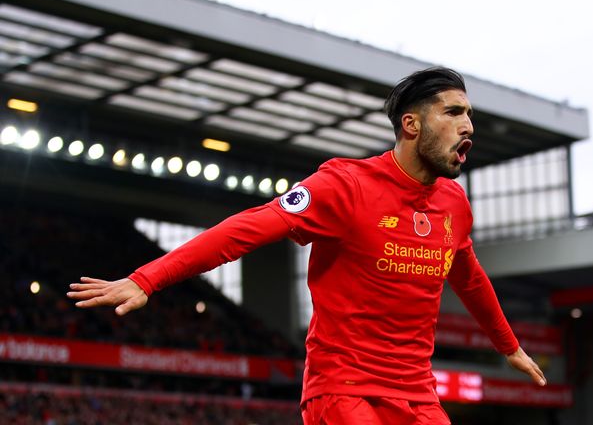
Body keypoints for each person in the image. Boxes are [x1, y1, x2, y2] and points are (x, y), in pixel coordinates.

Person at [68, 67, 546, 424]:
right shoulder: (346, 185)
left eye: (470, 115)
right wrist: (146, 278)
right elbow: (248, 228)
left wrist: (508, 346)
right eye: (454, 112)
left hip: (417, 394)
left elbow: (468, 275)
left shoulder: (454, 203)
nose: (469, 127)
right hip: (345, 390)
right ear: (411, 125)